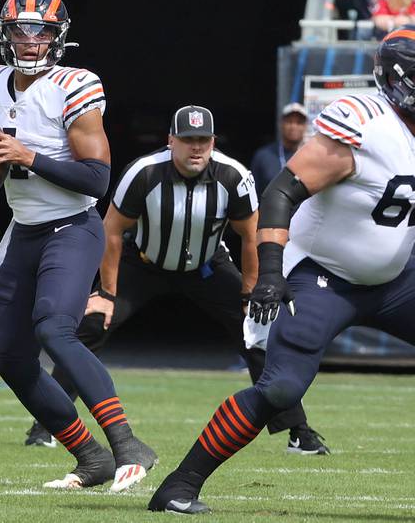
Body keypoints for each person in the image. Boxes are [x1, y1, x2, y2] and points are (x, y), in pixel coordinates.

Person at [149, 27, 415, 515]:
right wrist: (270, 271)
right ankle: (180, 484)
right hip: (323, 277)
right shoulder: (366, 124)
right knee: (282, 388)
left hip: (397, 278)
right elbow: (282, 191)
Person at [26, 105, 328, 456]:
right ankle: (49, 422)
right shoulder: (143, 173)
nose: (195, 147)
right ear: (171, 141)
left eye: (203, 140)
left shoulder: (233, 177)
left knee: (258, 334)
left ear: (214, 142)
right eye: (187, 140)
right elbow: (111, 231)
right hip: (143, 262)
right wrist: (106, 293)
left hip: (206, 266)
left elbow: (250, 236)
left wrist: (249, 291)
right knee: (92, 325)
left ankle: (299, 433)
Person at [0, 0, 156, 492]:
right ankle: (89, 457)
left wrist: (30, 157)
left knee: (55, 329)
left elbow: (97, 179)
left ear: (57, 36)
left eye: (41, 30)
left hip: (72, 226)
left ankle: (127, 442)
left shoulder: (75, 85)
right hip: (22, 230)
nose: (30, 40)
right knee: (12, 361)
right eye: (21, 29)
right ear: (5, 35)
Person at [250, 103, 307, 195]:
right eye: (289, 121)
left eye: (299, 122)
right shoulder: (263, 156)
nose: (293, 126)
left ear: (305, 126)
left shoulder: (310, 157)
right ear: (281, 124)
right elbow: (253, 194)